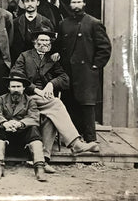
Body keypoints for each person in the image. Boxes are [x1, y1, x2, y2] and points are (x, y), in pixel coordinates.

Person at [12, 28, 100, 173]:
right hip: (27, 97)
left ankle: (43, 159)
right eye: (41, 40)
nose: (44, 43)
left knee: (50, 119)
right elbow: (16, 74)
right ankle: (75, 143)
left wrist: (51, 84)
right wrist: (37, 90)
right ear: (35, 43)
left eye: (47, 41)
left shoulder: (51, 59)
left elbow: (65, 79)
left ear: (50, 44)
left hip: (44, 99)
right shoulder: (25, 56)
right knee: (57, 104)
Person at [56, 0, 111, 143]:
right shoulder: (63, 24)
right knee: (69, 104)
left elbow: (104, 48)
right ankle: (72, 139)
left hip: (86, 72)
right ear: (69, 5)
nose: (76, 5)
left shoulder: (94, 23)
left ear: (84, 3)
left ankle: (91, 140)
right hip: (69, 72)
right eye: (73, 2)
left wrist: (94, 66)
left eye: (79, 1)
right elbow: (59, 47)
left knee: (87, 105)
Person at [0, 73, 46, 182]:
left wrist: (20, 123)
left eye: (19, 87)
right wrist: (5, 123)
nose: (16, 89)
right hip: (6, 136)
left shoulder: (30, 101)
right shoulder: (1, 99)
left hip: (23, 139)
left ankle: (39, 167)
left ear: (24, 88)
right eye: (13, 87)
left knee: (34, 130)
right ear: (9, 88)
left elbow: (34, 116)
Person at [11, 0, 54, 64]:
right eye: (27, 1)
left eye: (32, 1)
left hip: (40, 64)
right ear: (23, 4)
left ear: (38, 3)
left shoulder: (46, 22)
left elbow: (51, 45)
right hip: (20, 64)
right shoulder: (16, 22)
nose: (30, 4)